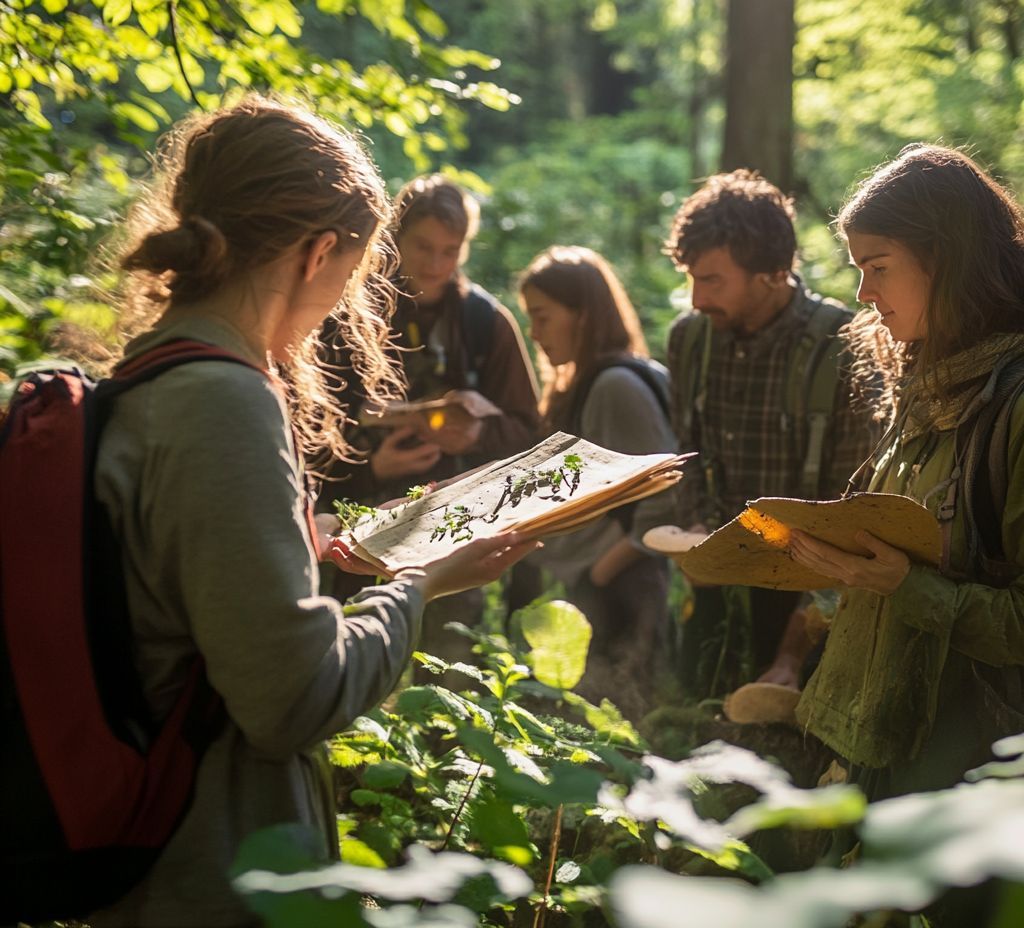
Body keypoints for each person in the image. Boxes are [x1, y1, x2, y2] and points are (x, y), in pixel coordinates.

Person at [88, 98, 538, 926]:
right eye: (355, 275)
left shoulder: (144, 375)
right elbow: (295, 698)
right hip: (216, 870)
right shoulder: (224, 402)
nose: (341, 304)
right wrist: (416, 583)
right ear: (318, 252)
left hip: (150, 854)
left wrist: (310, 538)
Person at [791, 143, 1024, 807]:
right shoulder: (928, 388)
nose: (863, 294)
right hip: (900, 747)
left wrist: (900, 583)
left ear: (947, 262)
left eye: (878, 267)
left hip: (987, 777)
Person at [663, 170, 881, 702]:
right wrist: (693, 534)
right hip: (710, 582)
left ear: (771, 273)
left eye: (712, 280)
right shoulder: (690, 339)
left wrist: (792, 651)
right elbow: (684, 452)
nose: (695, 297)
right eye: (690, 276)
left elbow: (855, 514)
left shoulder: (843, 348)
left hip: (807, 599)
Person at [316, 175, 542, 661]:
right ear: (394, 236)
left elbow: (528, 429)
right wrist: (371, 467)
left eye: (451, 250)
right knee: (347, 658)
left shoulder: (486, 322)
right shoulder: (347, 312)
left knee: (449, 666)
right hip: (352, 526)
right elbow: (313, 426)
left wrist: (475, 432)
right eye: (424, 247)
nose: (437, 264)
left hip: (454, 526)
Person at [518, 246, 677, 720]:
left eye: (543, 317)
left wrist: (601, 573)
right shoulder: (592, 381)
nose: (534, 332)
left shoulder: (615, 386)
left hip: (620, 590)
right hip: (597, 588)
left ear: (582, 315)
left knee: (610, 731)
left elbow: (666, 493)